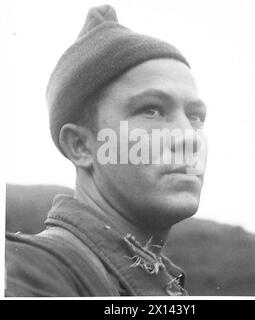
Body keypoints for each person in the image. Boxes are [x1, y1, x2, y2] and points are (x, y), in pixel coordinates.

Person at [5, 4, 207, 296]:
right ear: (81, 146)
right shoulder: (25, 273)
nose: (189, 138)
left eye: (196, 117)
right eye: (151, 110)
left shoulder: (164, 285)